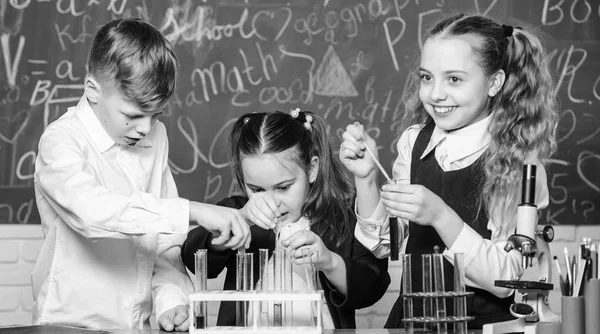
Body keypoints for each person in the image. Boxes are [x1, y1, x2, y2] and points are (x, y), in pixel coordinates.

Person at [339, 14, 558, 329]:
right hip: (412, 320)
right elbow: (384, 244)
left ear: (495, 82)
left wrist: (441, 216)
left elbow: (508, 277)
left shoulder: (518, 163)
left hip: (482, 326)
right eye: (427, 77)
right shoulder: (414, 142)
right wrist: (365, 179)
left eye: (454, 79)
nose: (435, 94)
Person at [32, 18, 250, 331]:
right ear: (93, 90)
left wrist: (171, 298)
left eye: (155, 115)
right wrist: (195, 211)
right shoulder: (61, 141)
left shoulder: (154, 136)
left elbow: (160, 241)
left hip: (136, 324)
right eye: (133, 115)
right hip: (68, 323)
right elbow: (92, 213)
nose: (145, 128)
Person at [181, 110, 390, 328]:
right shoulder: (238, 211)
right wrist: (240, 219)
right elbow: (191, 255)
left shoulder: (339, 218)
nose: (272, 202)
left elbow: (372, 288)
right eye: (256, 189)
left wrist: (329, 262)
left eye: (283, 187)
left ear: (313, 169)